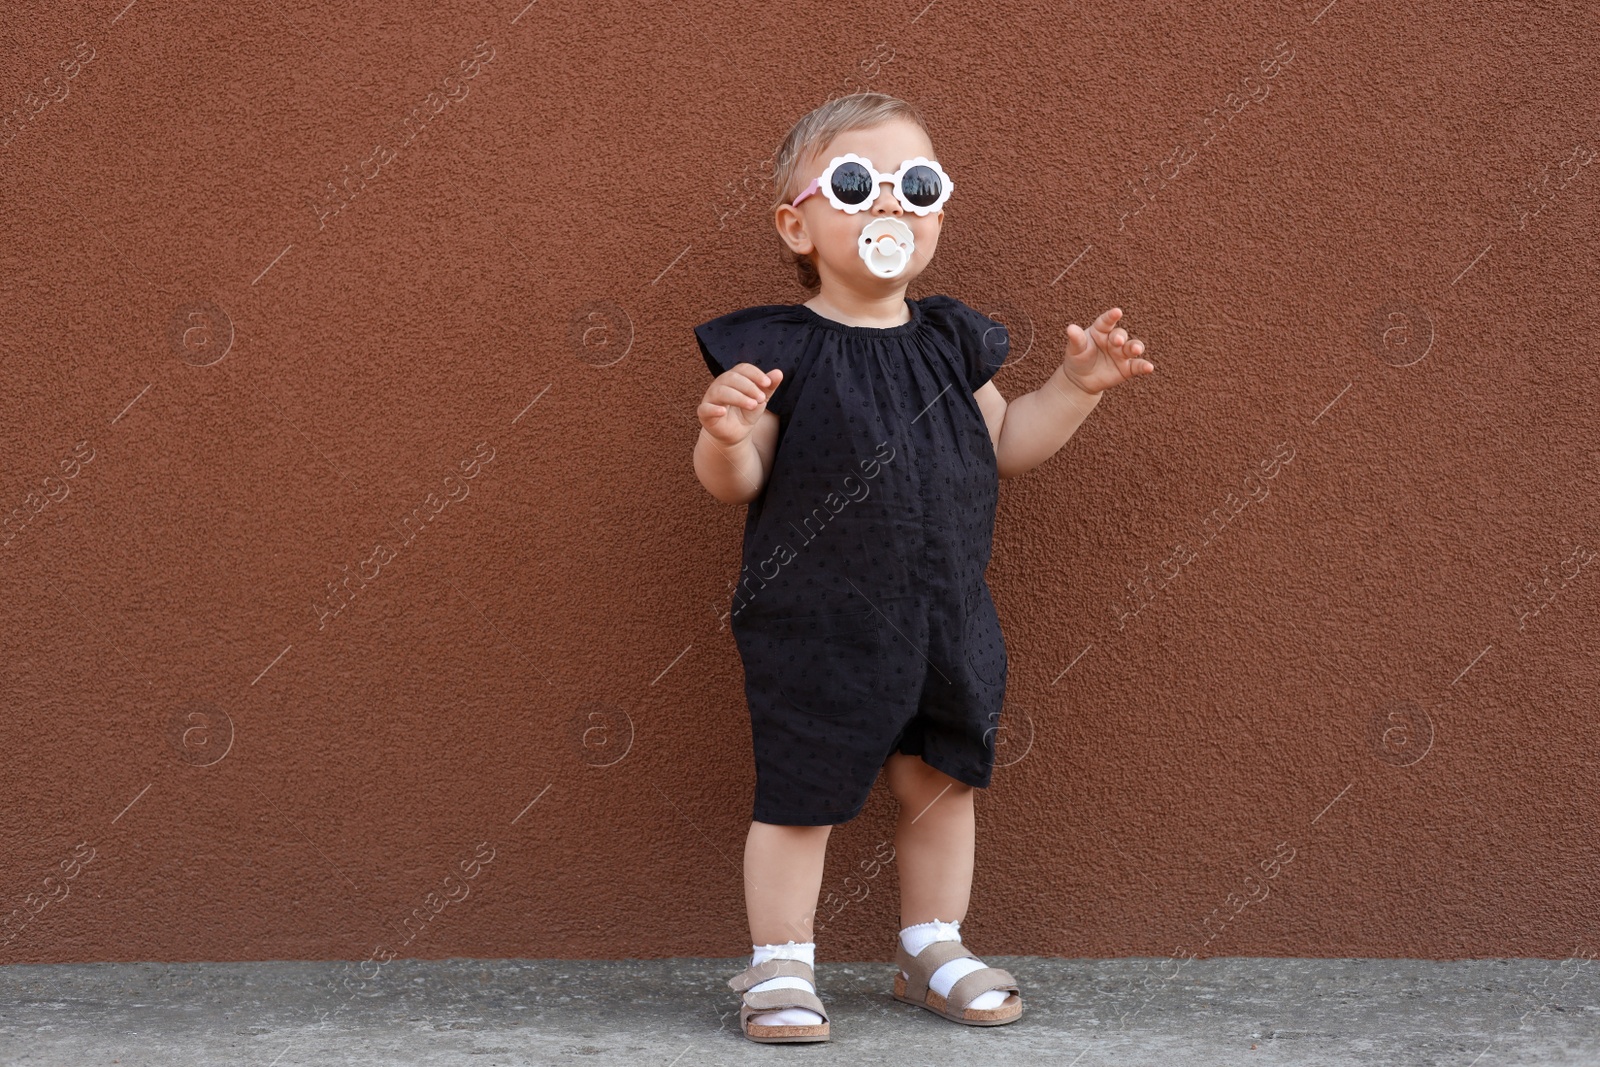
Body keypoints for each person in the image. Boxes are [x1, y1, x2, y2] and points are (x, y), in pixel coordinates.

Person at [692, 92, 1153, 1044]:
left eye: (918, 186)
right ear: (798, 223)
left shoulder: (950, 342)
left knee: (941, 781)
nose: (890, 207)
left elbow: (1006, 444)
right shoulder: (778, 351)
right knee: (801, 792)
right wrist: (724, 432)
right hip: (817, 619)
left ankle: (930, 944)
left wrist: (1074, 387)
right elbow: (737, 482)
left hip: (946, 612)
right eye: (858, 186)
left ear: (940, 213)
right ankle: (780, 961)